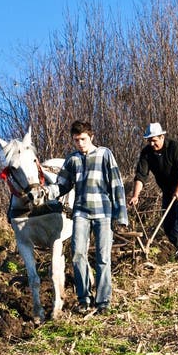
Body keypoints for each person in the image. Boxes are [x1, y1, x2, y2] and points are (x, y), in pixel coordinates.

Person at [43, 119, 128, 314]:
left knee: (102, 257)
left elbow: (116, 184)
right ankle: (84, 299)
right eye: (76, 140)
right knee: (78, 254)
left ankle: (103, 301)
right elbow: (62, 185)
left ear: (91, 137)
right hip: (80, 213)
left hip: (103, 213)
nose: (80, 143)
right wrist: (45, 192)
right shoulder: (72, 159)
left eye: (83, 139)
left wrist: (121, 215)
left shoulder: (104, 154)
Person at [128, 122, 178, 259]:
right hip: (168, 189)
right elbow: (141, 175)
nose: (151, 144)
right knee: (167, 224)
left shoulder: (175, 147)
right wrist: (135, 195)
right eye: (149, 141)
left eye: (154, 140)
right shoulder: (146, 153)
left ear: (162, 137)